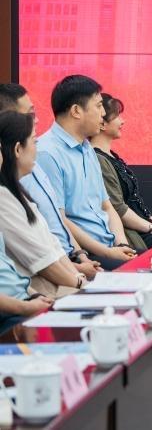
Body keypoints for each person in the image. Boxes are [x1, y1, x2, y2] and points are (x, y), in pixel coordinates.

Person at [35, 75, 136, 271]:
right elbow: (59, 219)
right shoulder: (47, 153)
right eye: (98, 106)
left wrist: (122, 244)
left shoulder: (87, 148)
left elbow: (107, 206)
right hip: (85, 254)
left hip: (109, 246)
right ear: (76, 111)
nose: (103, 113)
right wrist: (108, 253)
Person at [0, 84, 101, 279]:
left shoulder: (32, 166)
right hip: (54, 271)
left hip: (69, 260)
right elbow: (40, 259)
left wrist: (80, 257)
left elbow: (53, 230)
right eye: (30, 114)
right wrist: (78, 278)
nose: (36, 120)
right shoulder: (10, 188)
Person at [0, 112, 88, 297]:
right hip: (44, 289)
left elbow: (53, 246)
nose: (37, 149)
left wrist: (78, 277)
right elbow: (42, 262)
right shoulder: (3, 198)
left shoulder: (18, 193)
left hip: (57, 283)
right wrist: (79, 283)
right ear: (18, 149)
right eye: (34, 141)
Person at [91, 94, 152, 251]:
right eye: (117, 116)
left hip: (141, 227)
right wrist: (150, 227)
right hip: (131, 234)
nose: (123, 121)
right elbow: (117, 207)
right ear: (102, 124)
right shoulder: (98, 159)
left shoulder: (111, 156)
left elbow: (134, 199)